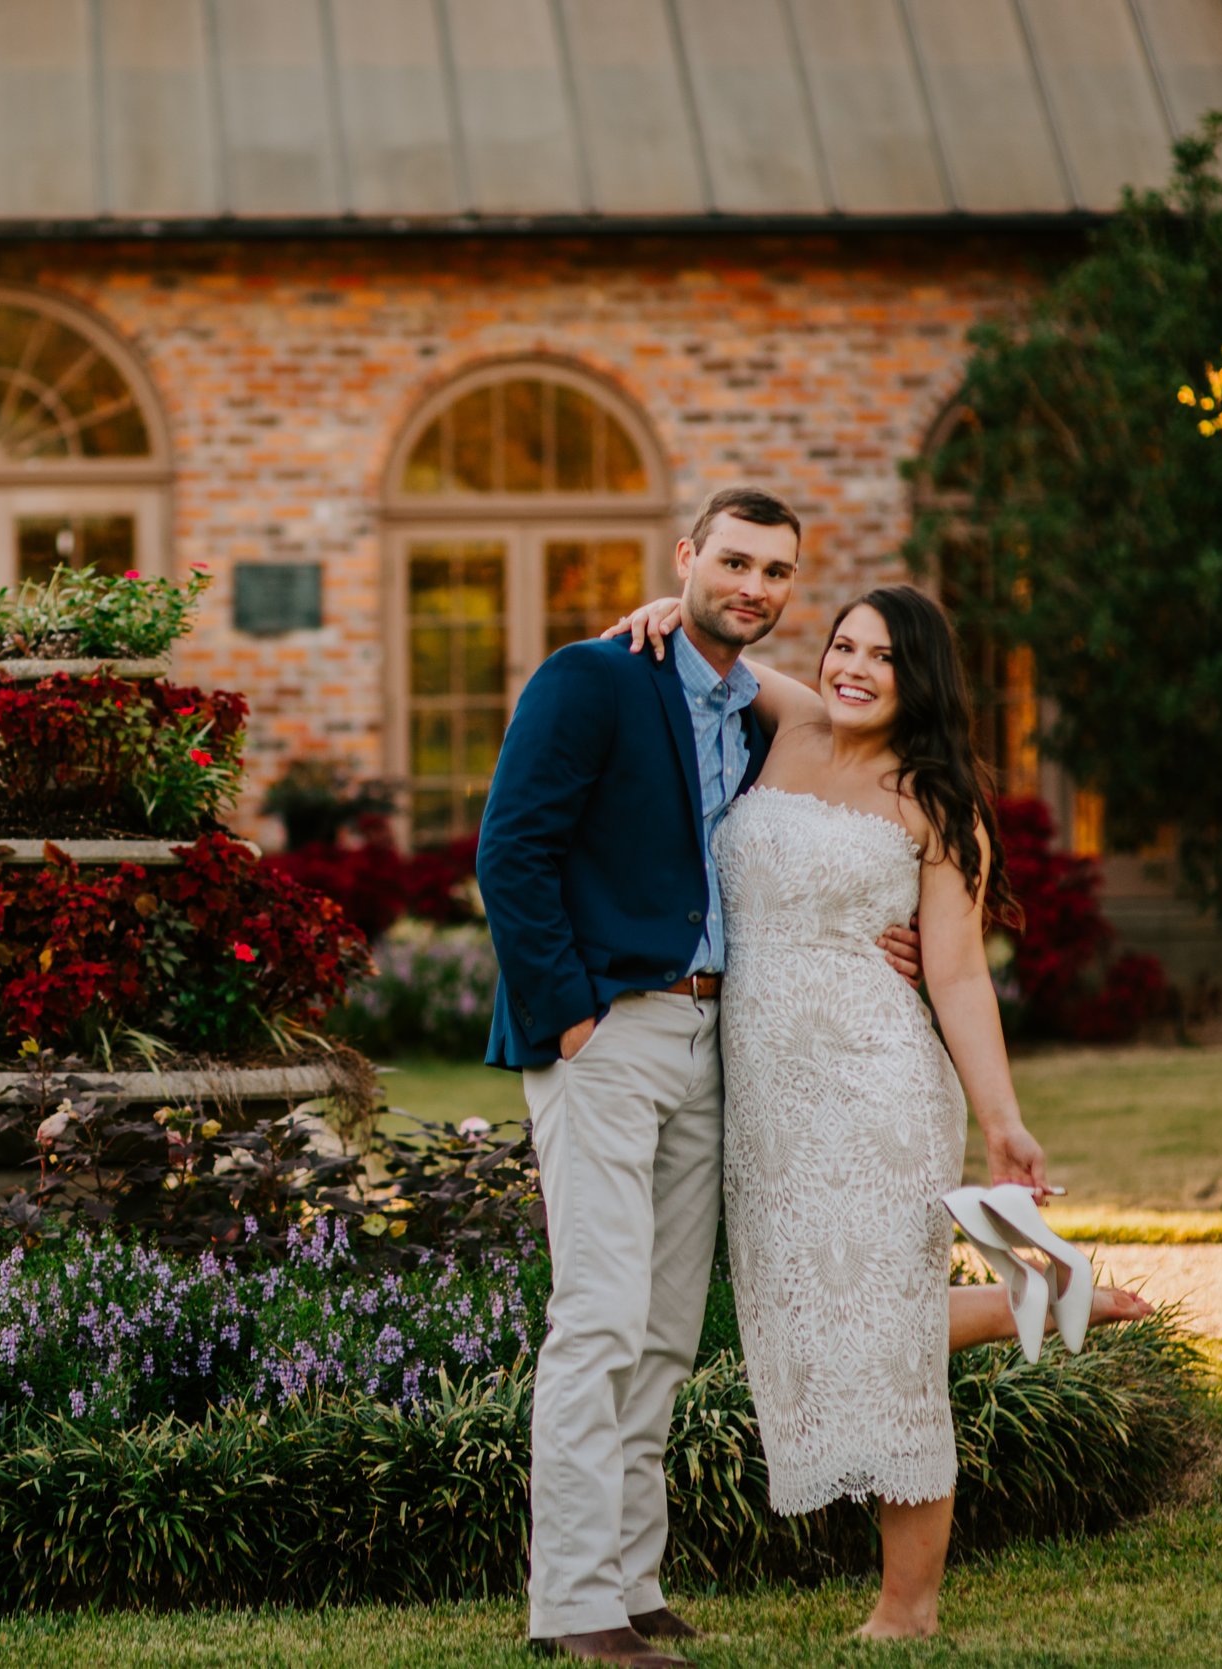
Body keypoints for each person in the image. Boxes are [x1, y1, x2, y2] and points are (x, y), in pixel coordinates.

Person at [607, 582, 1152, 1640]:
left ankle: (908, 1609)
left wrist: (1004, 1123)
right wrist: (651, 607)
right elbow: (691, 639)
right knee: (807, 1321)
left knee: (889, 1349)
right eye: (842, 646)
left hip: (875, 1084)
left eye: (881, 658)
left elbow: (954, 977)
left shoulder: (935, 805)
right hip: (766, 1097)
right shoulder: (788, 718)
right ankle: (1039, 1298)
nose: (851, 668)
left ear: (921, 681)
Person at [475, 487, 924, 1668]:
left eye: (775, 573)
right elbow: (509, 851)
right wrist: (568, 1018)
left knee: (666, 1331)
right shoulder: (593, 677)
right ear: (686, 556)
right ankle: (572, 1603)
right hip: (607, 1037)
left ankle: (632, 1579)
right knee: (601, 1317)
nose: (753, 587)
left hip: (712, 1043)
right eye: (732, 561)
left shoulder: (747, 707)